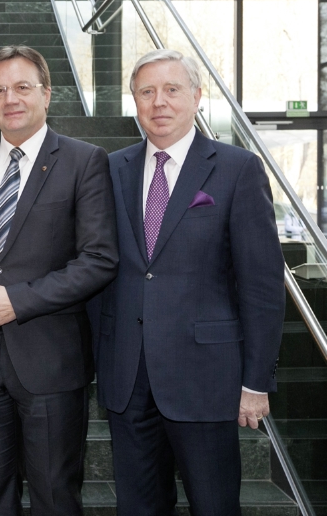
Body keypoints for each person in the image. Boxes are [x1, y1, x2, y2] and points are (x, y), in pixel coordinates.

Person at [94, 49, 285, 515]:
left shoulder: (238, 168)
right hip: (127, 378)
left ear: (197, 97)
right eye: (146, 91)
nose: (159, 101)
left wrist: (256, 382)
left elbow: (262, 286)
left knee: (214, 505)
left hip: (207, 379)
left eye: (172, 89)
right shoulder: (110, 169)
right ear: (135, 101)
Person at [0, 45, 119, 515]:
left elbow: (99, 259)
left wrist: (19, 300)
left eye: (22, 87)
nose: (10, 99)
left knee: (55, 496)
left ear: (47, 94)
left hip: (51, 361)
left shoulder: (85, 160)